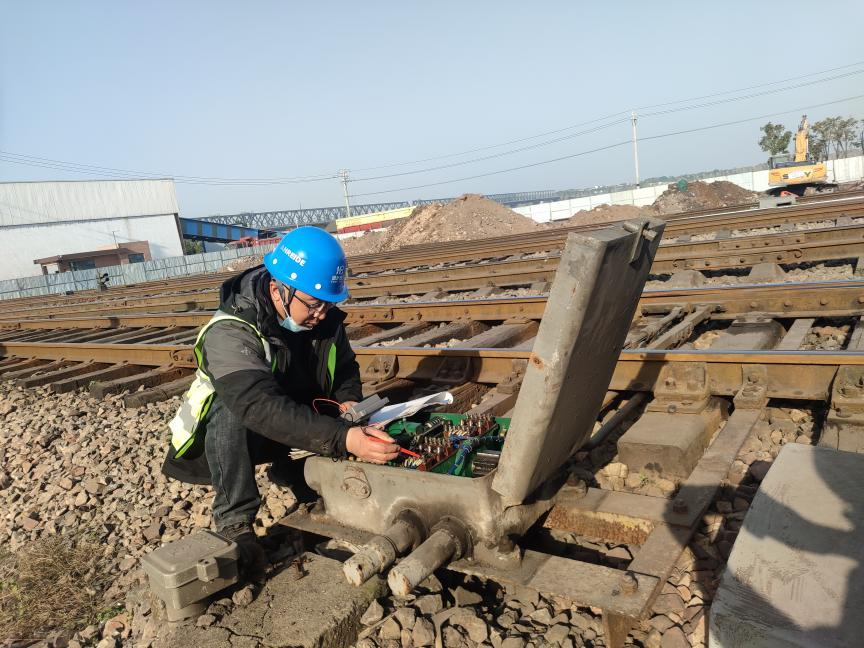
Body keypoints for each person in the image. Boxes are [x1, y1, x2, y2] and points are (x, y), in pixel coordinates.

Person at [161, 226, 399, 570]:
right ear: (278, 288)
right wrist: (343, 438)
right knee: (230, 409)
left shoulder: (321, 317)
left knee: (326, 410)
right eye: (313, 304)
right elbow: (257, 406)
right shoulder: (230, 330)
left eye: (328, 304)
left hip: (293, 421)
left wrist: (348, 401)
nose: (321, 314)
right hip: (235, 434)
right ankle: (234, 519)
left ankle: (299, 477)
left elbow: (345, 366)